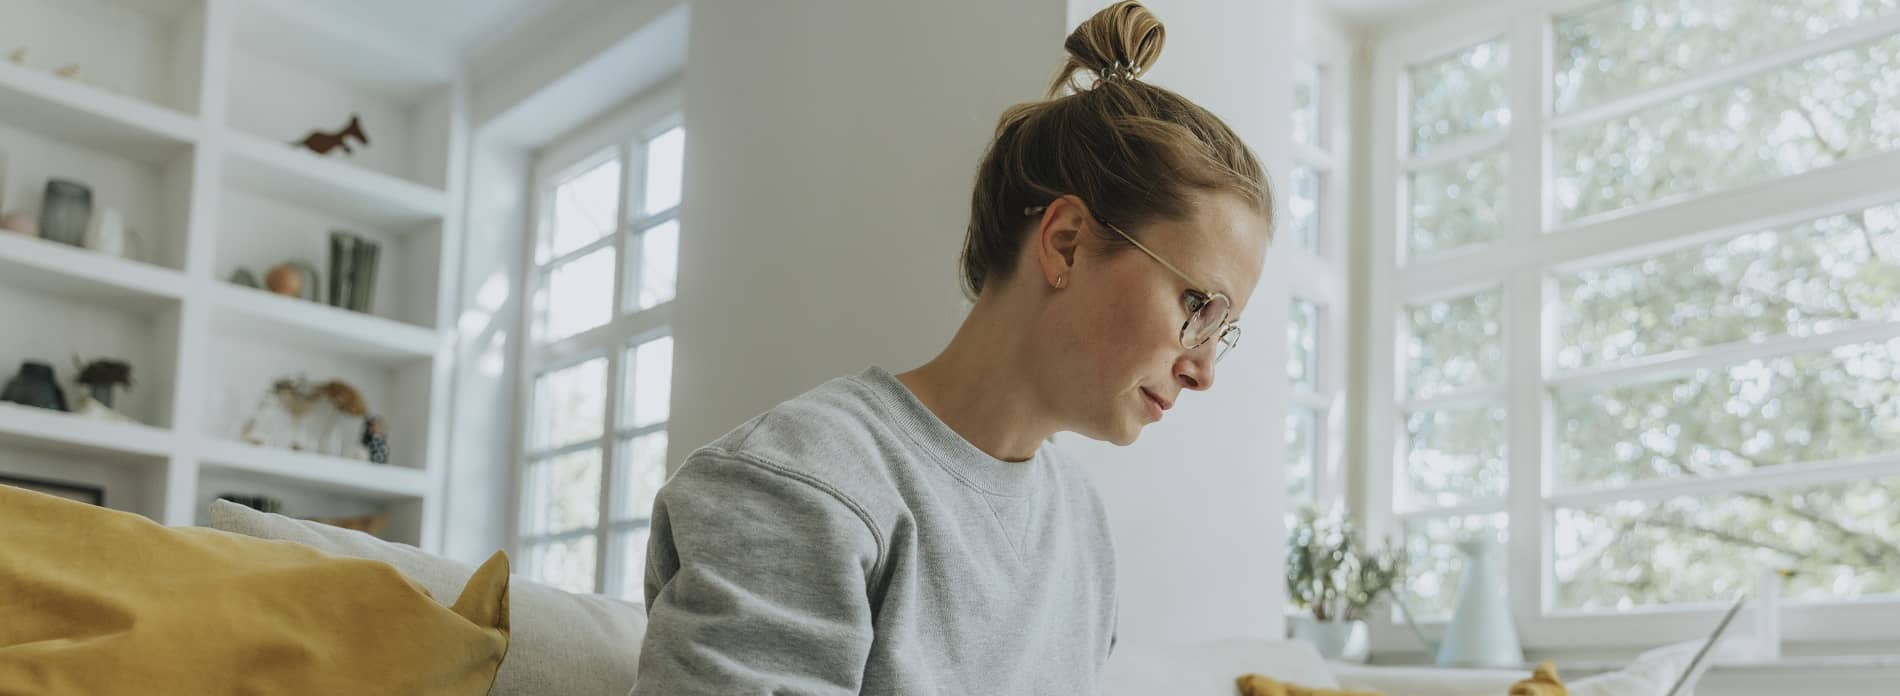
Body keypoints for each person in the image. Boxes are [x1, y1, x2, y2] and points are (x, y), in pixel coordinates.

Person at [630, 2, 1273, 693]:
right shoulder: (798, 485)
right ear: (1067, 244)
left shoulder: (1081, 527)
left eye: (1222, 332)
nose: (1204, 371)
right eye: (1197, 306)